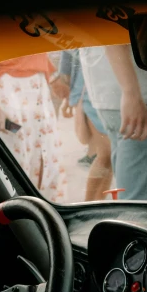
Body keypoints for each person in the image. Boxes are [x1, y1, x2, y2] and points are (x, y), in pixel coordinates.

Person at [80, 45, 147, 200]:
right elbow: (115, 41)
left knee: (131, 190)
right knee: (139, 198)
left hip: (114, 95)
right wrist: (131, 92)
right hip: (138, 97)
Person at [0, 56, 67, 202]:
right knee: (17, 147)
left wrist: (54, 79)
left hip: (39, 88)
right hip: (10, 90)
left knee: (48, 150)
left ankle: (45, 203)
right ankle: (18, 205)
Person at [52, 49, 113, 201]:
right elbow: (69, 53)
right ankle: (91, 205)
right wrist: (70, 96)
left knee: (108, 157)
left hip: (106, 93)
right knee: (106, 154)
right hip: (91, 93)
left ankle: (97, 203)